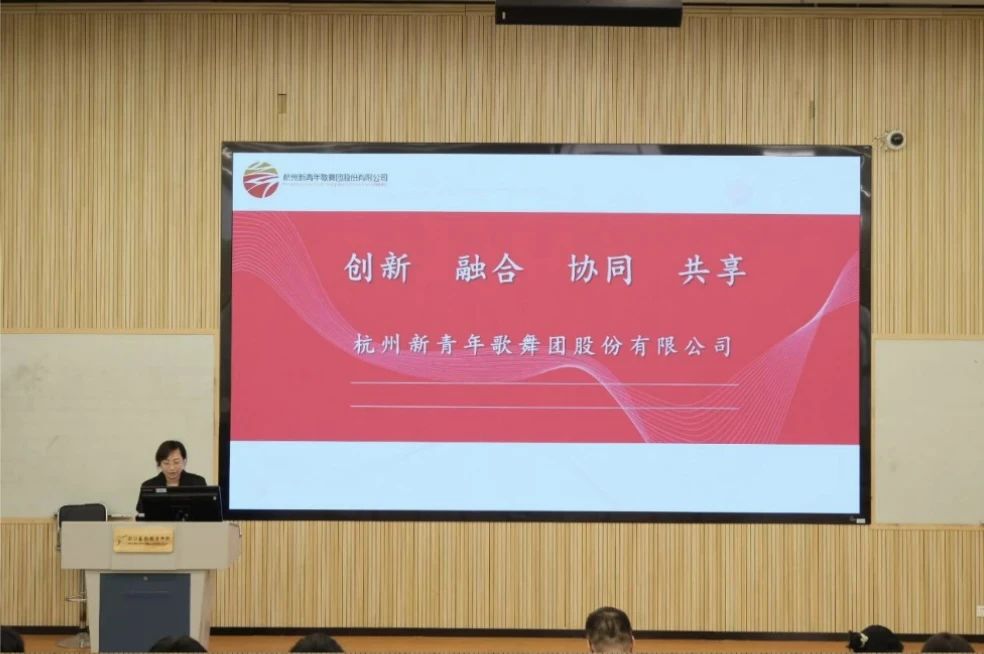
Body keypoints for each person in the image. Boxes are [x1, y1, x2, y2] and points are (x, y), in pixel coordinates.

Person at [136, 440, 207, 513]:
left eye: (176, 462)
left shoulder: (197, 483)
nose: (171, 468)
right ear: (159, 464)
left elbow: (205, 512)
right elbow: (141, 514)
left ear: (184, 461)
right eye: (166, 463)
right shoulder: (149, 486)